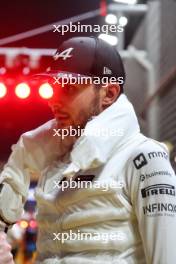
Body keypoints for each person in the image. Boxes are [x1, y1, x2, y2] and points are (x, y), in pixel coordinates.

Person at [0, 36, 176, 264]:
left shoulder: (144, 157)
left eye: (70, 88)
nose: (55, 101)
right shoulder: (52, 161)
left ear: (109, 94)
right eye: (53, 88)